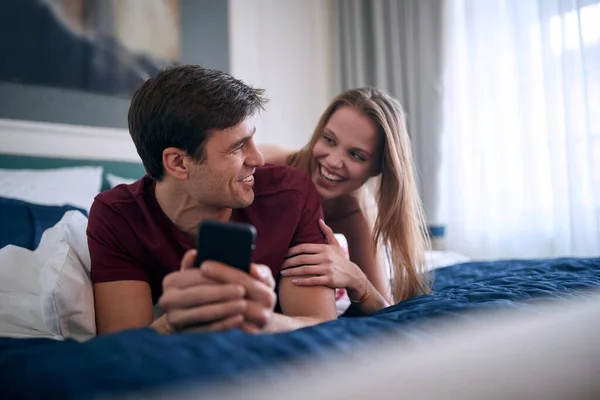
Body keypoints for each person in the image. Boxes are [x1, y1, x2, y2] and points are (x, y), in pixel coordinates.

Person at [87, 65, 337, 335]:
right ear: (178, 163)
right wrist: (174, 322)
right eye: (238, 147)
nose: (258, 159)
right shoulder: (118, 216)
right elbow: (121, 347)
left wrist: (258, 320)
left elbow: (321, 326)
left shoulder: (292, 195)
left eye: (253, 140)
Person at [259, 87, 431, 315]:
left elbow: (383, 309)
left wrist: (357, 280)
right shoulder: (265, 165)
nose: (333, 161)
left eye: (356, 155)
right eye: (328, 139)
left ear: (378, 168)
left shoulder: (356, 211)